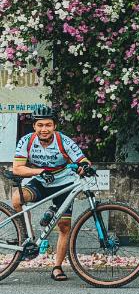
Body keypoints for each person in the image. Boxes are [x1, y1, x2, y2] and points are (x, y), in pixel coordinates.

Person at [11, 106, 91, 281]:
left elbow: (82, 159)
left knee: (64, 227)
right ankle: (26, 237)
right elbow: (17, 168)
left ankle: (57, 267)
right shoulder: (27, 141)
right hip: (40, 182)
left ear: (54, 126)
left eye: (48, 125)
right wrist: (39, 172)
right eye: (40, 125)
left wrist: (85, 166)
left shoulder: (64, 141)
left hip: (64, 183)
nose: (44, 129)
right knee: (17, 199)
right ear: (34, 126)